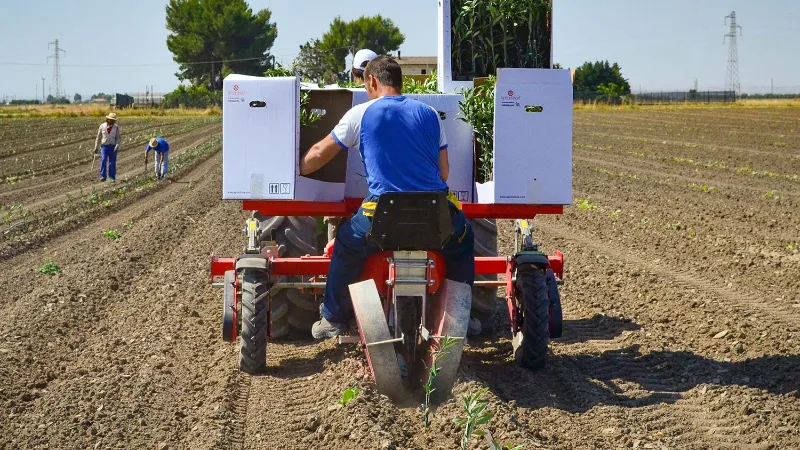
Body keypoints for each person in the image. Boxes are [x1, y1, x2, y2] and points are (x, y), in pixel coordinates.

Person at [300, 56, 475, 339]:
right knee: (462, 239)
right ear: (400, 81)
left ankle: (333, 317)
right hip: (435, 214)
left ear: (371, 81)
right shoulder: (430, 114)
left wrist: (296, 168)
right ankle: (461, 317)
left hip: (383, 216)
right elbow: (443, 173)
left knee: (345, 245)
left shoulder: (361, 113)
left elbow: (320, 153)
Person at [94, 112, 121, 182]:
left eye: (113, 120)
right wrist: (96, 147)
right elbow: (98, 137)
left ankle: (112, 177)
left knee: (112, 163)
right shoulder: (102, 126)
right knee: (103, 160)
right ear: (108, 119)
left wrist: (117, 145)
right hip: (104, 147)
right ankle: (103, 176)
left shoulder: (116, 127)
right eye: (111, 120)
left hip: (113, 147)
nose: (112, 121)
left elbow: (118, 138)